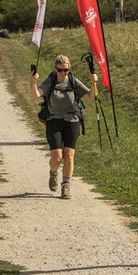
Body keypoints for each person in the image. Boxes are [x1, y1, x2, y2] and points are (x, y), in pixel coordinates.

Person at [30, 54, 96, 200]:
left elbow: (91, 97)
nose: (63, 73)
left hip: (72, 120)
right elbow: (35, 95)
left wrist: (93, 83)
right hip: (54, 120)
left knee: (69, 155)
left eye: (66, 70)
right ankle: (53, 172)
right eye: (60, 70)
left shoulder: (72, 81)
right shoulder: (51, 81)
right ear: (55, 69)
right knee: (57, 157)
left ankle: (66, 186)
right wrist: (33, 82)